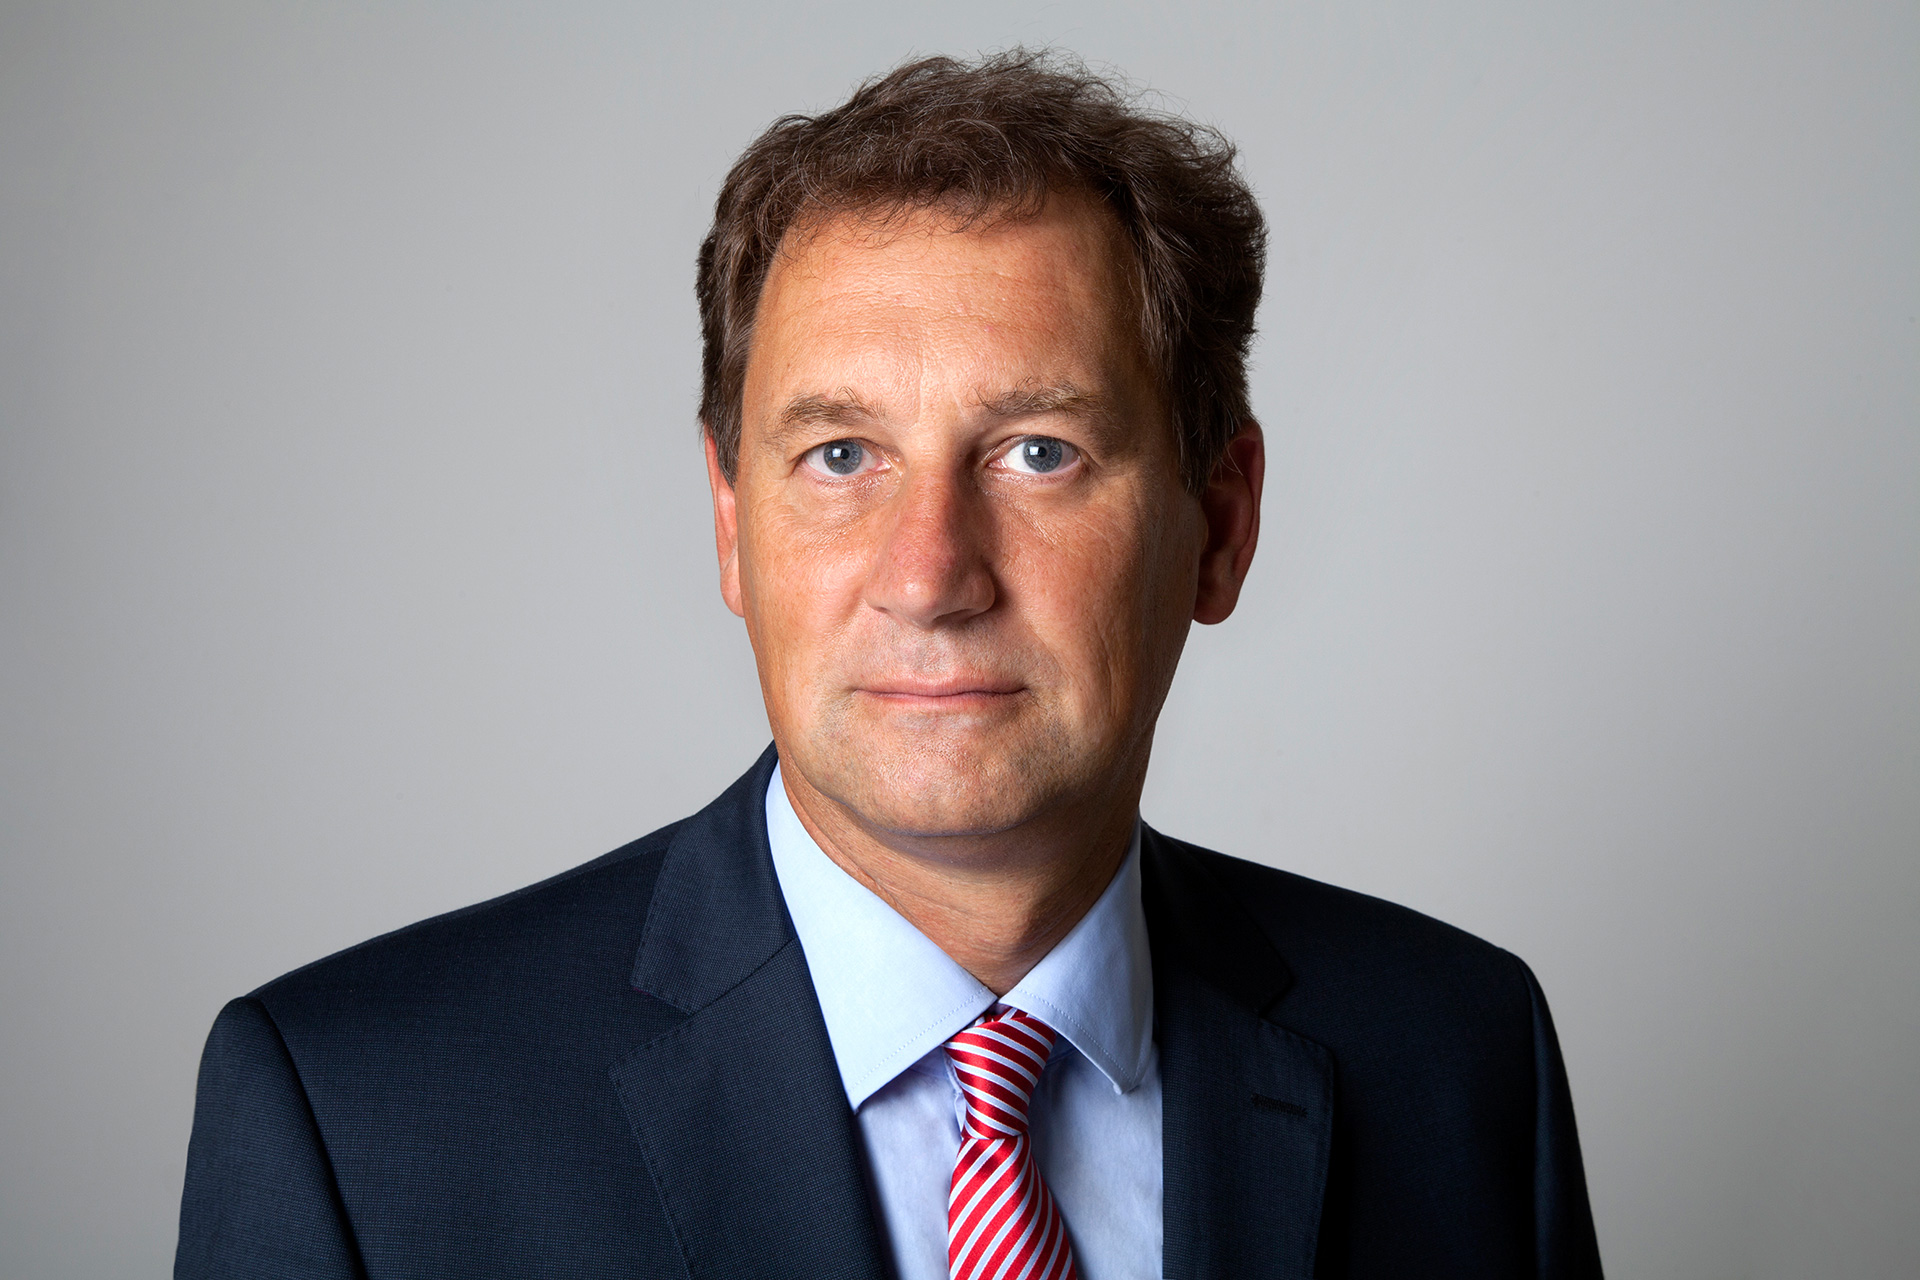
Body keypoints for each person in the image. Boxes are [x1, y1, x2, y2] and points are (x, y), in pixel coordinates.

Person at [176, 52, 1603, 1280]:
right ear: (732, 527)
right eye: (842, 455)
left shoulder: (1458, 1060)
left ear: (1218, 528)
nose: (930, 575)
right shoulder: (359, 1124)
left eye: (1038, 452)